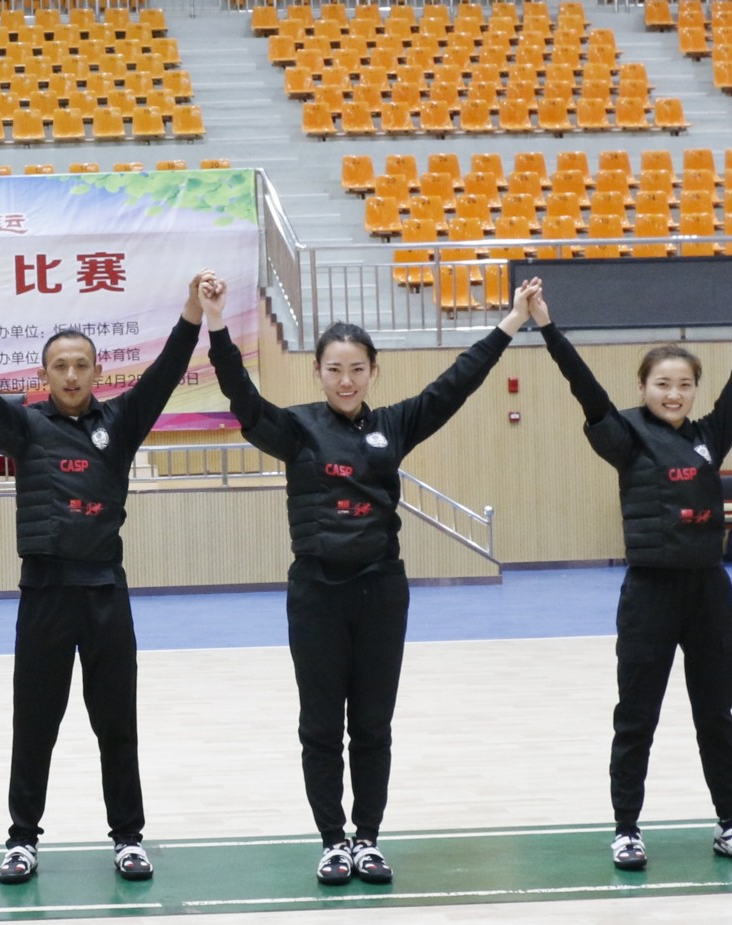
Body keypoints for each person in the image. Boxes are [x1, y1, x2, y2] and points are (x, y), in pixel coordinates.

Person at [209, 287, 528, 885]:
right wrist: (218, 324)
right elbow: (242, 399)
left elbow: (454, 385)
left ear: (373, 372)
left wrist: (510, 322)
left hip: (381, 591)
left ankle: (368, 838)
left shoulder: (394, 425)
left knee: (373, 726)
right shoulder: (297, 428)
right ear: (318, 371)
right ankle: (333, 841)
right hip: (316, 594)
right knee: (321, 726)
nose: (346, 380)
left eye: (357, 369)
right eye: (335, 369)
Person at [0, 261, 209, 884]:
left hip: (105, 593)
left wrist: (192, 309)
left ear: (98, 373)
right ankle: (22, 839)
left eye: (82, 365)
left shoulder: (121, 424)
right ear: (43, 375)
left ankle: (128, 838)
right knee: (34, 724)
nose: (71, 374)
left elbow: (166, 372)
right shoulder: (25, 427)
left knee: (117, 724)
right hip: (45, 595)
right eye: (60, 365)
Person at [531, 256, 732, 871]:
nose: (674, 394)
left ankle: (731, 824)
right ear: (643, 388)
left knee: (717, 716)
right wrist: (546, 327)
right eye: (662, 384)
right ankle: (627, 829)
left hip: (708, 594)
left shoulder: (710, 436)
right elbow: (585, 390)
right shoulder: (626, 438)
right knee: (636, 718)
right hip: (649, 595)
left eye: (684, 385)